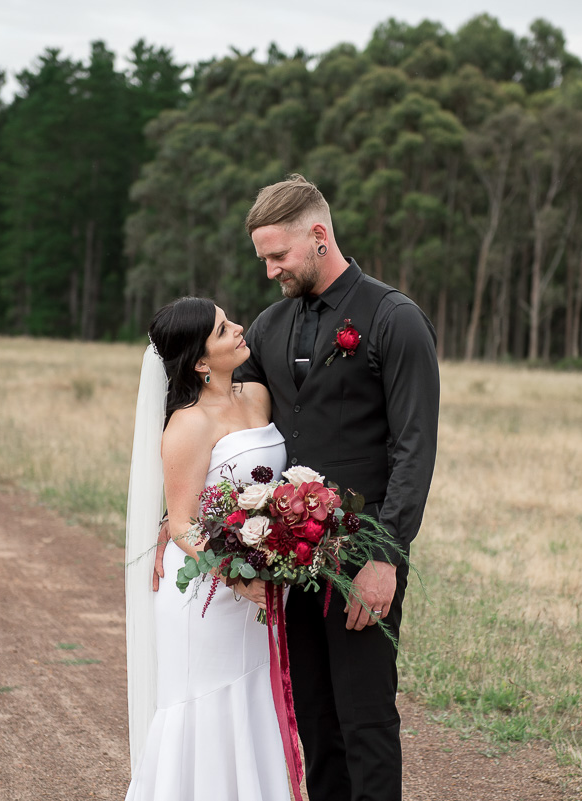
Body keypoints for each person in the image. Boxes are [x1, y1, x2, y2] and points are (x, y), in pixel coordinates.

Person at [236, 175, 440, 801]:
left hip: (361, 554)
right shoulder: (270, 326)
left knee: (365, 721)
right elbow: (227, 408)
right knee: (315, 723)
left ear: (319, 236)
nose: (271, 269)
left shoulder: (393, 318)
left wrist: (385, 558)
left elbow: (413, 449)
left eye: (280, 255)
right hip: (287, 558)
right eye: (263, 258)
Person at [124, 296, 291, 801]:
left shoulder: (259, 396)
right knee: (205, 709)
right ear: (200, 361)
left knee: (251, 702)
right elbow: (182, 525)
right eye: (223, 329)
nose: (239, 328)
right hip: (206, 592)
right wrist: (240, 580)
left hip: (258, 582)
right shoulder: (187, 425)